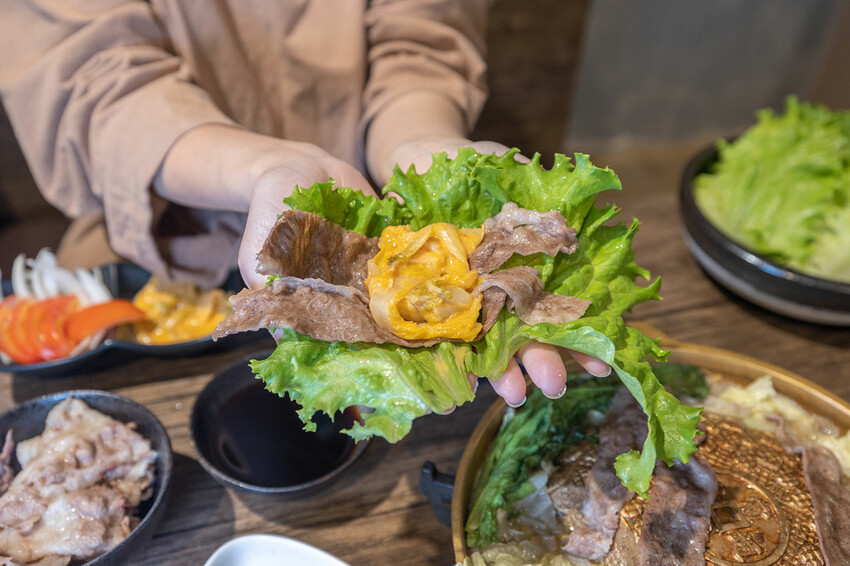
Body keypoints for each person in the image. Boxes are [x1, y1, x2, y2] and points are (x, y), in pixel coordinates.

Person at [0, 0, 608, 406]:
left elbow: (418, 41)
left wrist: (421, 149)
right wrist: (264, 169)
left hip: (373, 200)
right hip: (165, 219)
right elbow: (94, 83)